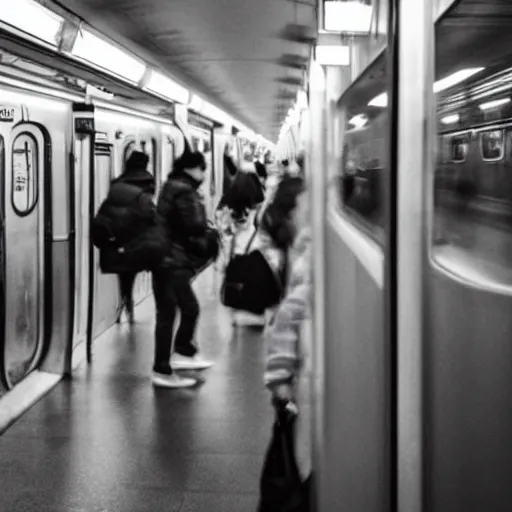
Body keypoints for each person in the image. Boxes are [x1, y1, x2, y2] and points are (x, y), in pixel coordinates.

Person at [151, 149, 216, 388]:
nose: (203, 174)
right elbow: (194, 224)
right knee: (175, 312)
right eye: (202, 169)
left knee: (180, 310)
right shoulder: (184, 190)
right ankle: (162, 368)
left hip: (168, 258)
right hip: (172, 260)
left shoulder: (172, 186)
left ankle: (182, 352)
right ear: (192, 168)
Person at [263, 181, 312, 476]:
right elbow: (284, 328)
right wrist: (280, 384)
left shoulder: (299, 246)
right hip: (295, 383)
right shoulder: (298, 300)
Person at [93, 150, 156, 324]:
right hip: (136, 239)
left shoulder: (117, 183)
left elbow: (107, 211)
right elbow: (149, 214)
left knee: (124, 275)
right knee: (130, 274)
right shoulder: (147, 183)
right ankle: (128, 305)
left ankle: (124, 303)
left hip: (117, 239)